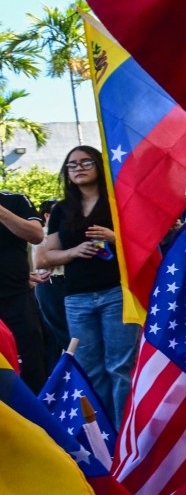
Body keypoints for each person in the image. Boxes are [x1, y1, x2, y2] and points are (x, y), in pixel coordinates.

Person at [40, 146, 140, 422]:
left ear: (99, 165)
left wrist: (113, 236)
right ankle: (103, 436)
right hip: (77, 298)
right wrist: (73, 252)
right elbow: (44, 256)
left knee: (120, 367)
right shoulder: (61, 209)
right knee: (89, 369)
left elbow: (147, 246)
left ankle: (123, 436)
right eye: (72, 165)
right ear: (66, 173)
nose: (79, 168)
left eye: (86, 162)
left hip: (117, 293)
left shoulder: (118, 201)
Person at [0, 188, 48, 389]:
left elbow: (36, 235)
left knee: (30, 367)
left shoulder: (15, 200)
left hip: (15, 300)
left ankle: (35, 418)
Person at [32, 198, 70, 357]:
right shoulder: (43, 233)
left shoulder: (68, 231)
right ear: (47, 215)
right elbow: (41, 261)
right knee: (61, 333)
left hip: (69, 284)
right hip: (51, 283)